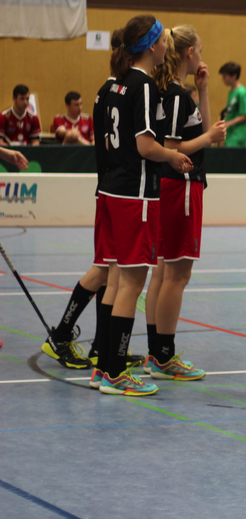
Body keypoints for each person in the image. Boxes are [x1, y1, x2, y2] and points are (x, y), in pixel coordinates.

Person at [93, 15, 193, 396]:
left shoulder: (111, 85)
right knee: (132, 282)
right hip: (135, 195)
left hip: (109, 191)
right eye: (162, 39)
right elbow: (145, 145)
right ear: (152, 47)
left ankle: (103, 366)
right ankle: (116, 372)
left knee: (116, 278)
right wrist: (172, 156)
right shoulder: (145, 86)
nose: (166, 45)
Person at [143, 26, 227, 382]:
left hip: (172, 187)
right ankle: (164, 356)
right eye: (201, 50)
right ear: (189, 52)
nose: (202, 57)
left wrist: (204, 90)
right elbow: (172, 147)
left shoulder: (176, 93)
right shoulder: (176, 96)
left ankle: (155, 353)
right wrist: (209, 138)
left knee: (163, 271)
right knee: (177, 274)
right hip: (180, 186)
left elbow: (201, 131)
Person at [40, 35, 124, 373]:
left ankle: (101, 347)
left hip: (112, 190)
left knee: (110, 271)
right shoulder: (116, 91)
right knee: (105, 268)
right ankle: (61, 335)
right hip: (114, 193)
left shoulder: (109, 92)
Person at [219, 62, 246, 146]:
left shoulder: (242, 92)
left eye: (225, 76)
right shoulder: (231, 91)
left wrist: (228, 123)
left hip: (238, 134)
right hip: (231, 132)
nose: (223, 79)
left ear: (234, 76)